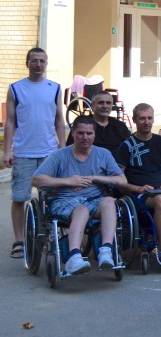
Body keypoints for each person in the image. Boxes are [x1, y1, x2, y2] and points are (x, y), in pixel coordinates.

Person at [32, 116, 128, 274]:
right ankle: (74, 257)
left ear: (94, 134)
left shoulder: (103, 154)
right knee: (82, 210)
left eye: (89, 133)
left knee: (109, 202)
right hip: (64, 201)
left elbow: (122, 180)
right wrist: (68, 181)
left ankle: (106, 250)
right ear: (73, 133)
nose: (85, 137)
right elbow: (36, 180)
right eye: (81, 133)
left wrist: (95, 178)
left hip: (94, 200)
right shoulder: (59, 156)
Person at [4, 47, 65, 259]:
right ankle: (19, 240)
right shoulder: (16, 89)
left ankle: (50, 234)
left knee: (51, 196)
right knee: (20, 197)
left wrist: (62, 147)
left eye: (42, 61)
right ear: (27, 63)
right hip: (24, 152)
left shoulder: (54, 88)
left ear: (46, 63)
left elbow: (59, 120)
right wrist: (7, 150)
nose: (38, 64)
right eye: (34, 60)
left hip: (49, 152)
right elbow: (10, 121)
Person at [115, 103, 161, 265]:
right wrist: (137, 188)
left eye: (149, 118)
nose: (146, 122)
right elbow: (118, 179)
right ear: (134, 120)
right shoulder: (126, 146)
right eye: (142, 118)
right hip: (140, 192)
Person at [65, 90, 130, 154]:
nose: (105, 106)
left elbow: (130, 148)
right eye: (100, 103)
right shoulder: (82, 125)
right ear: (92, 105)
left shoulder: (120, 126)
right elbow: (70, 150)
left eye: (108, 103)